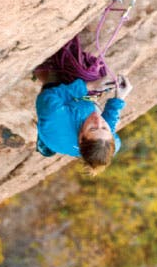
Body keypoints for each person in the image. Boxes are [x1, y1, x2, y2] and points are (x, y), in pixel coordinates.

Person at [34, 37, 132, 174]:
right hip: (73, 121)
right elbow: (109, 124)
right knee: (89, 106)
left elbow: (49, 96)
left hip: (55, 128)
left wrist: (89, 86)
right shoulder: (111, 144)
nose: (99, 120)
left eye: (93, 128)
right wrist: (119, 98)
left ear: (80, 138)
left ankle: (44, 144)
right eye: (104, 127)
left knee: (50, 77)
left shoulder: (56, 118)